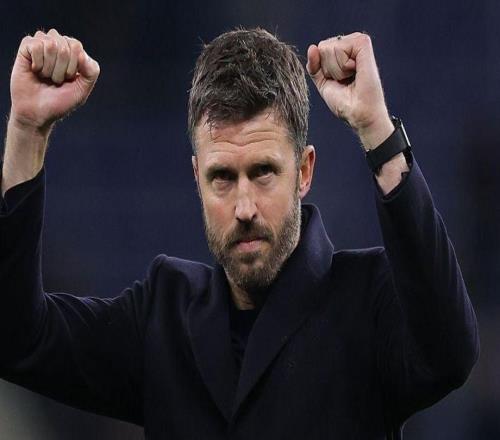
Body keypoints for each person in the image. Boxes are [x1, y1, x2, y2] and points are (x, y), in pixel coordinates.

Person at [0, 27, 478, 439]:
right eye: (223, 178)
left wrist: (376, 129)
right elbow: (17, 338)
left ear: (304, 171)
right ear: (197, 179)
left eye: (263, 172)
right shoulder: (163, 319)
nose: (245, 208)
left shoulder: (367, 302)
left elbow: (450, 353)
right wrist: (27, 129)